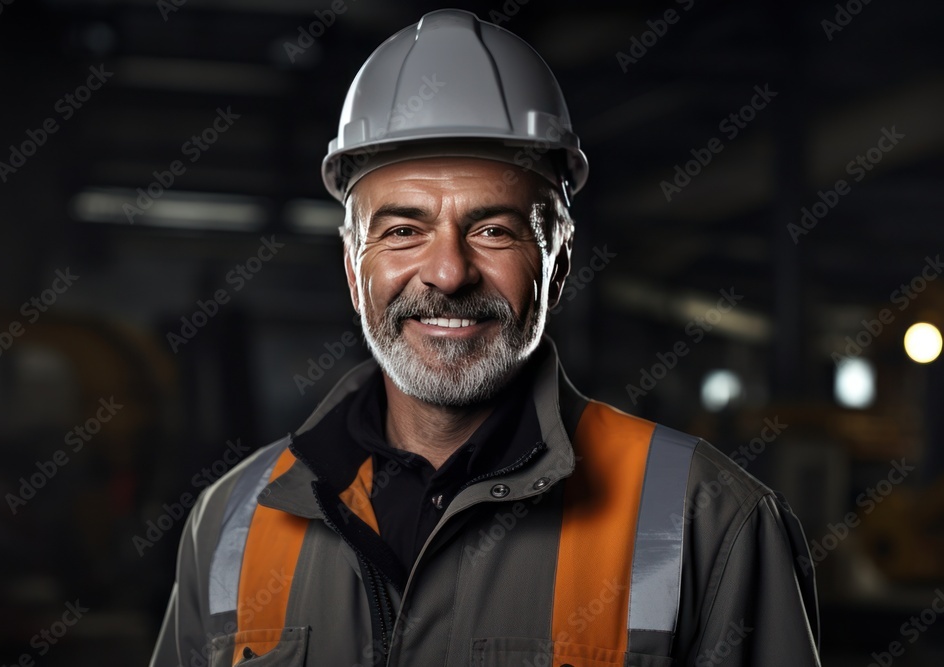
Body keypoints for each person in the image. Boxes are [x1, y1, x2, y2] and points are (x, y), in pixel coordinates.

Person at [150, 9, 821, 667]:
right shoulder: (232, 522)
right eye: (403, 231)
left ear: (557, 265)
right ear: (354, 270)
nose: (447, 273)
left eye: (493, 229)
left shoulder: (710, 522)